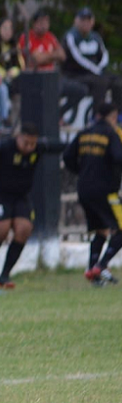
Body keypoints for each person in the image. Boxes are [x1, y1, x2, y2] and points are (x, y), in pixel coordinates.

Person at [0, 123, 64, 288]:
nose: (29, 147)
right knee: (1, 230)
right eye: (26, 143)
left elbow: (59, 146)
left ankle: (4, 275)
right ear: (18, 137)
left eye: (32, 143)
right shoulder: (4, 146)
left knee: (24, 229)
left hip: (21, 195)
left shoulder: (38, 148)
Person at [63, 102, 122, 285]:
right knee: (120, 227)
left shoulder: (84, 133)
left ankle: (92, 272)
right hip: (106, 190)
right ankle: (101, 265)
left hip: (84, 189)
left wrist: (82, 170)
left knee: (101, 229)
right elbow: (118, 157)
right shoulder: (111, 134)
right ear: (113, 116)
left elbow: (67, 156)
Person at [19, 9, 87, 125]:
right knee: (54, 90)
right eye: (41, 22)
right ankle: (51, 119)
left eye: (46, 22)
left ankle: (58, 113)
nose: (44, 25)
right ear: (34, 23)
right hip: (37, 78)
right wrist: (52, 56)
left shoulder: (50, 37)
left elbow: (62, 56)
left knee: (81, 90)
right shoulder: (27, 37)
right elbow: (37, 59)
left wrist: (45, 56)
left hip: (53, 76)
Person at [62, 8, 122, 114]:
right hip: (77, 74)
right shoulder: (71, 36)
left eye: (88, 20)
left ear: (93, 22)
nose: (86, 23)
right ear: (76, 21)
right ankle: (97, 115)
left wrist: (100, 68)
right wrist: (96, 70)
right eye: (83, 20)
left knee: (118, 81)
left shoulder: (95, 37)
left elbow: (104, 55)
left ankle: (117, 114)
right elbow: (77, 58)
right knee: (100, 82)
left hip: (96, 72)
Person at [0, 17, 26, 124]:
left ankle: (16, 120)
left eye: (10, 29)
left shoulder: (14, 44)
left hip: (12, 78)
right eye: (4, 28)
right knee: (8, 88)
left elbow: (21, 65)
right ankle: (5, 119)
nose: (7, 31)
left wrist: (13, 72)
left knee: (22, 84)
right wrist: (4, 74)